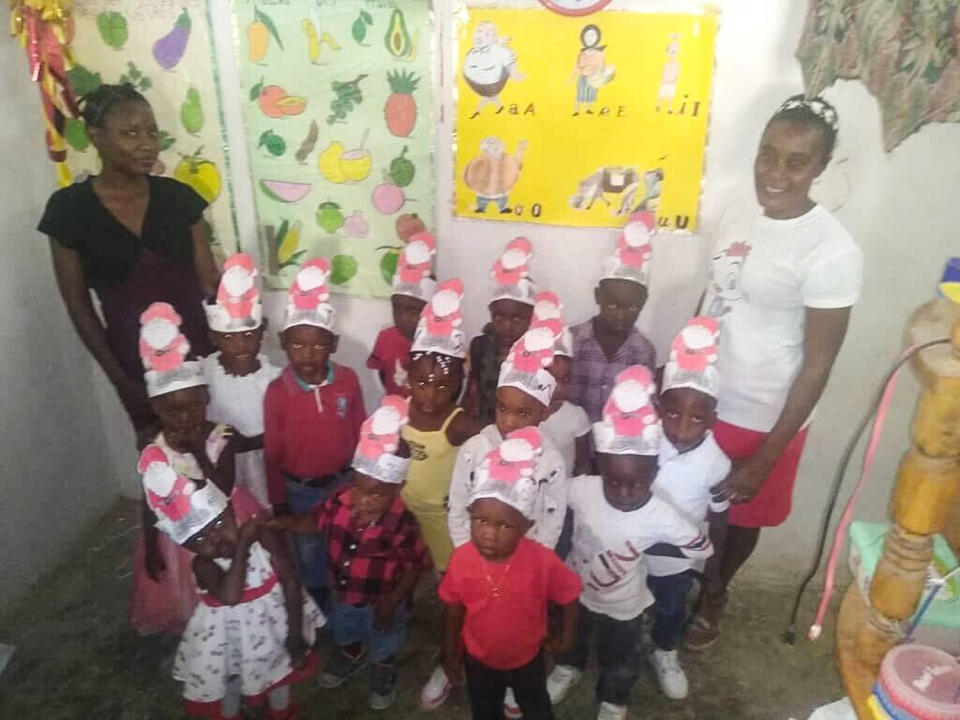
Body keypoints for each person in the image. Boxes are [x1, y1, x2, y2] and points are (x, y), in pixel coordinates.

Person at [691, 95, 863, 649]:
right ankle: (686, 585)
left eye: (795, 161)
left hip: (765, 412)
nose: (776, 172)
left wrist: (767, 455)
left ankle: (714, 597)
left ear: (819, 167)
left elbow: (819, 364)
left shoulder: (831, 251)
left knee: (739, 520)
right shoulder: (739, 212)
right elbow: (717, 292)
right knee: (692, 503)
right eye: (769, 155)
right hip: (705, 394)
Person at [39, 83, 220, 447]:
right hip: (133, 360)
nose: (147, 143)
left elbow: (210, 285)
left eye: (152, 132)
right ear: (96, 137)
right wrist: (121, 380)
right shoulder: (69, 210)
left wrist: (226, 353)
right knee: (162, 461)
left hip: (201, 352)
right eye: (131, 133)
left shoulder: (179, 198)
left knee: (218, 447)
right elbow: (78, 306)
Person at [550, 366, 713, 720]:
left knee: (620, 656)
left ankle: (614, 698)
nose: (623, 493)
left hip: (624, 607)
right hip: (575, 590)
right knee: (571, 636)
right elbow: (553, 496)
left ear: (652, 474)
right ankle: (568, 667)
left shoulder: (660, 515)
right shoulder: (585, 489)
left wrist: (646, 545)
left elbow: (701, 547)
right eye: (613, 482)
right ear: (600, 470)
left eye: (635, 484)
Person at [425, 323, 568, 713]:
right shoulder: (475, 448)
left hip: (524, 563)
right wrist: (466, 554)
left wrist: (534, 563)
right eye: (503, 409)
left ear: (544, 411)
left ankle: (517, 679)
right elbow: (458, 504)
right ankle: (460, 662)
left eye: (524, 413)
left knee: (519, 622)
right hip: (476, 555)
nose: (509, 422)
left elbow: (552, 517)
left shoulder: (551, 460)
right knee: (473, 616)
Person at [138, 442, 324, 720]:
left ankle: (281, 712)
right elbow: (231, 595)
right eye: (199, 539)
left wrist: (295, 632)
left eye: (219, 524)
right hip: (229, 642)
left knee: (279, 672)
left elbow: (290, 580)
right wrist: (241, 548)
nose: (215, 540)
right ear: (187, 546)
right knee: (232, 683)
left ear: (229, 510)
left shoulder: (262, 534)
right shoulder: (204, 565)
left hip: (274, 626)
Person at [271, 396, 431, 711]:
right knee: (346, 629)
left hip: (381, 600)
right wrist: (285, 522)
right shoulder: (340, 499)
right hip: (342, 591)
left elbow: (415, 565)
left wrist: (393, 600)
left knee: (383, 635)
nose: (365, 500)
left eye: (377, 494)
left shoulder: (401, 523)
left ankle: (383, 666)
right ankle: (352, 654)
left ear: (397, 489)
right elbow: (313, 522)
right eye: (359, 488)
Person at [129, 302, 260, 636]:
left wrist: (199, 454)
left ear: (205, 398)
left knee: (238, 577)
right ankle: (205, 629)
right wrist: (151, 542)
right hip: (180, 534)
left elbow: (223, 489)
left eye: (192, 407)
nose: (185, 418)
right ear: (157, 409)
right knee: (187, 588)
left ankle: (240, 619)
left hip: (227, 521)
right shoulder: (154, 449)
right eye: (173, 412)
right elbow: (150, 499)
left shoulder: (222, 438)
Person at [439, 428, 582, 720]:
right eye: (480, 520)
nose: (489, 534)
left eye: (504, 526)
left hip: (528, 657)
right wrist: (450, 652)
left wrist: (567, 638)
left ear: (526, 525)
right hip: (478, 659)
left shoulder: (541, 560)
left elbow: (569, 595)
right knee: (485, 711)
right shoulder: (461, 560)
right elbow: (453, 608)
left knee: (536, 707)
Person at [264, 259, 366, 606]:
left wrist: (359, 478)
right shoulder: (278, 393)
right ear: (283, 342)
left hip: (344, 484)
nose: (308, 354)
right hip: (301, 490)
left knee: (345, 545)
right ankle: (316, 605)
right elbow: (273, 452)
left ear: (333, 343)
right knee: (309, 552)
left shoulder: (348, 381)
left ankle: (344, 598)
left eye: (318, 345)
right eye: (298, 345)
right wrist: (279, 500)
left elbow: (360, 430)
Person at [646, 317, 730, 699]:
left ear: (712, 419)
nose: (681, 428)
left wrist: (713, 568)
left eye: (697, 418)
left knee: (671, 605)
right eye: (673, 414)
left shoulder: (716, 463)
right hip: (634, 544)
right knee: (624, 597)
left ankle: (664, 650)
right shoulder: (644, 441)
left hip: (678, 557)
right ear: (659, 408)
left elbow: (719, 516)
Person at [402, 279, 476, 576]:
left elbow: (488, 446)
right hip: (403, 509)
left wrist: (466, 493)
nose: (431, 394)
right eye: (422, 383)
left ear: (459, 383)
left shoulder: (456, 423)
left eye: (443, 385)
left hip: (439, 516)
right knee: (407, 564)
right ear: (408, 378)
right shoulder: (399, 410)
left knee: (446, 571)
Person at [202, 253, 280, 508]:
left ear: (262, 332)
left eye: (249, 334)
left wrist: (251, 443)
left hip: (263, 463)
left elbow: (281, 429)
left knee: (264, 509)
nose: (241, 344)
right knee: (229, 508)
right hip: (219, 461)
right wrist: (225, 438)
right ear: (214, 338)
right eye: (229, 337)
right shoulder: (203, 373)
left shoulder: (274, 379)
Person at [570, 212, 657, 424]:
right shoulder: (571, 340)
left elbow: (644, 406)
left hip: (616, 449)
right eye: (612, 305)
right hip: (573, 444)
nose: (621, 315)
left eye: (632, 308)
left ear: (643, 302)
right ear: (598, 296)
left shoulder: (644, 351)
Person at [466, 237, 538, 426]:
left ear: (531, 316)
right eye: (499, 317)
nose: (507, 325)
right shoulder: (479, 347)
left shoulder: (540, 353)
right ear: (490, 313)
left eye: (516, 318)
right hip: (484, 428)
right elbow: (472, 392)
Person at [367, 233, 437, 397]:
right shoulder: (386, 338)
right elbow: (382, 375)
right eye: (397, 309)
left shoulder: (440, 342)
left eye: (413, 311)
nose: (403, 318)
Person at [534, 292, 592, 477]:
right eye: (549, 378)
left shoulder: (576, 416)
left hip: (563, 494)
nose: (558, 388)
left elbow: (583, 465)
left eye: (566, 380)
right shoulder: (524, 413)